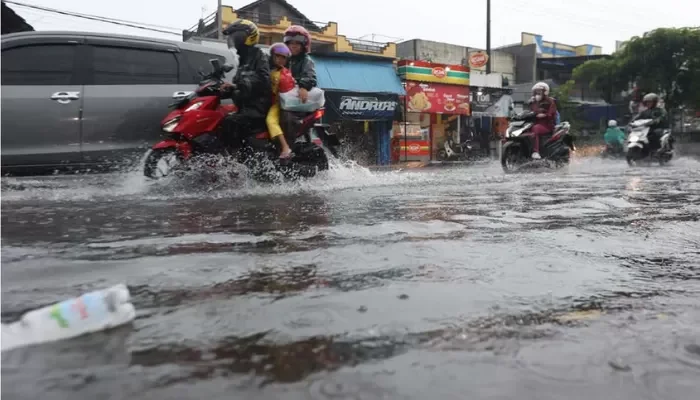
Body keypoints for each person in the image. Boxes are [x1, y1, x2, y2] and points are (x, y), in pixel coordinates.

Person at [219, 19, 271, 148]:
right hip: (244, 107)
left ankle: (234, 159)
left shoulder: (259, 55)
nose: (234, 40)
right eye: (232, 37)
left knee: (229, 122)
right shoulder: (242, 59)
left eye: (236, 36)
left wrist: (243, 83)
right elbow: (241, 83)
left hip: (257, 108)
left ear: (248, 37)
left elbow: (264, 79)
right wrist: (230, 88)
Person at [265, 43, 294, 159]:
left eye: (283, 58)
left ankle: (285, 147)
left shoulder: (284, 73)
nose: (280, 60)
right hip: (265, 101)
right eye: (278, 56)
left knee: (270, 120)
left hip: (277, 103)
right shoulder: (268, 69)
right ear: (272, 56)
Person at [283, 25, 317, 103]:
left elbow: (309, 76)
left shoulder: (306, 60)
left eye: (297, 43)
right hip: (282, 96)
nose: (293, 46)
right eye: (290, 43)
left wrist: (303, 87)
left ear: (304, 45)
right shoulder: (283, 59)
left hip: (297, 98)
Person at [528, 82, 558, 159]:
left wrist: (544, 115)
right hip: (534, 123)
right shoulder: (533, 102)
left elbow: (551, 114)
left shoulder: (550, 101)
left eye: (539, 92)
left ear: (545, 92)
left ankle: (536, 152)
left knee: (535, 129)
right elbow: (529, 112)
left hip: (547, 125)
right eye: (536, 92)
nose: (537, 94)